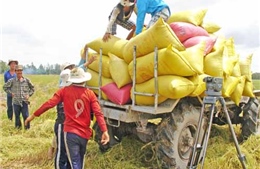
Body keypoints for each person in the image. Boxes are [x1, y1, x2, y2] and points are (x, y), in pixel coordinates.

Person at [25, 67, 108, 169]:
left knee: (74, 163)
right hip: (84, 134)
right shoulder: (90, 93)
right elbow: (98, 113)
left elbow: (49, 104)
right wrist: (104, 131)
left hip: (70, 133)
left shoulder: (64, 91)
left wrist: (33, 115)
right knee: (79, 162)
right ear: (84, 80)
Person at [47, 57, 97, 168]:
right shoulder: (64, 86)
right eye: (69, 68)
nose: (72, 69)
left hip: (70, 124)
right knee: (62, 150)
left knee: (69, 152)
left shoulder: (69, 82)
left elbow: (77, 71)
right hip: (63, 122)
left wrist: (87, 63)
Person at [3, 65, 35, 129]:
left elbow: (32, 88)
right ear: (15, 72)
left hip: (24, 102)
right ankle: (18, 129)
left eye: (20, 70)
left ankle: (27, 129)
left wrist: (29, 95)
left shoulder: (26, 80)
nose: (19, 72)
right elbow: (5, 87)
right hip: (16, 102)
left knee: (25, 116)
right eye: (17, 71)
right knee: (17, 116)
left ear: (22, 71)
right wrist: (10, 93)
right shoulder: (12, 81)